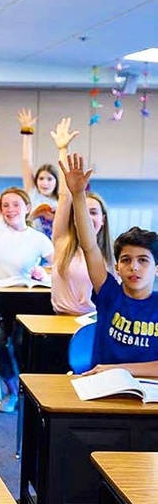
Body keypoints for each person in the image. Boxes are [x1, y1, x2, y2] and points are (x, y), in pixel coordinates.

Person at [0, 113, 54, 413]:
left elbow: (56, 267)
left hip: (29, 300)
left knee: (29, 344)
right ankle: (10, 389)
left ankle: (30, 390)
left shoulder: (38, 238)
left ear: (27, 207)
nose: (9, 209)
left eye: (15, 204)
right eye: (5, 204)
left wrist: (43, 271)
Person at [61, 153, 158, 375]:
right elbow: (90, 246)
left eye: (143, 260)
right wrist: (78, 195)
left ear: (156, 268)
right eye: (126, 260)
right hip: (103, 390)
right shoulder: (109, 294)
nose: (134, 267)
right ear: (117, 267)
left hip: (149, 394)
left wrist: (117, 369)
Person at [49, 118, 114, 315]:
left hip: (93, 325)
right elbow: (65, 195)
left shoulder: (112, 255)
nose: (87, 217)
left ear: (103, 219)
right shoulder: (62, 241)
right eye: (82, 211)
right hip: (60, 323)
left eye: (92, 212)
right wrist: (63, 149)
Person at [17, 108, 59, 237]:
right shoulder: (33, 192)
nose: (44, 183)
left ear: (56, 182)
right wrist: (27, 132)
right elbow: (26, 161)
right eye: (41, 179)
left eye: (49, 179)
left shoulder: (61, 200)